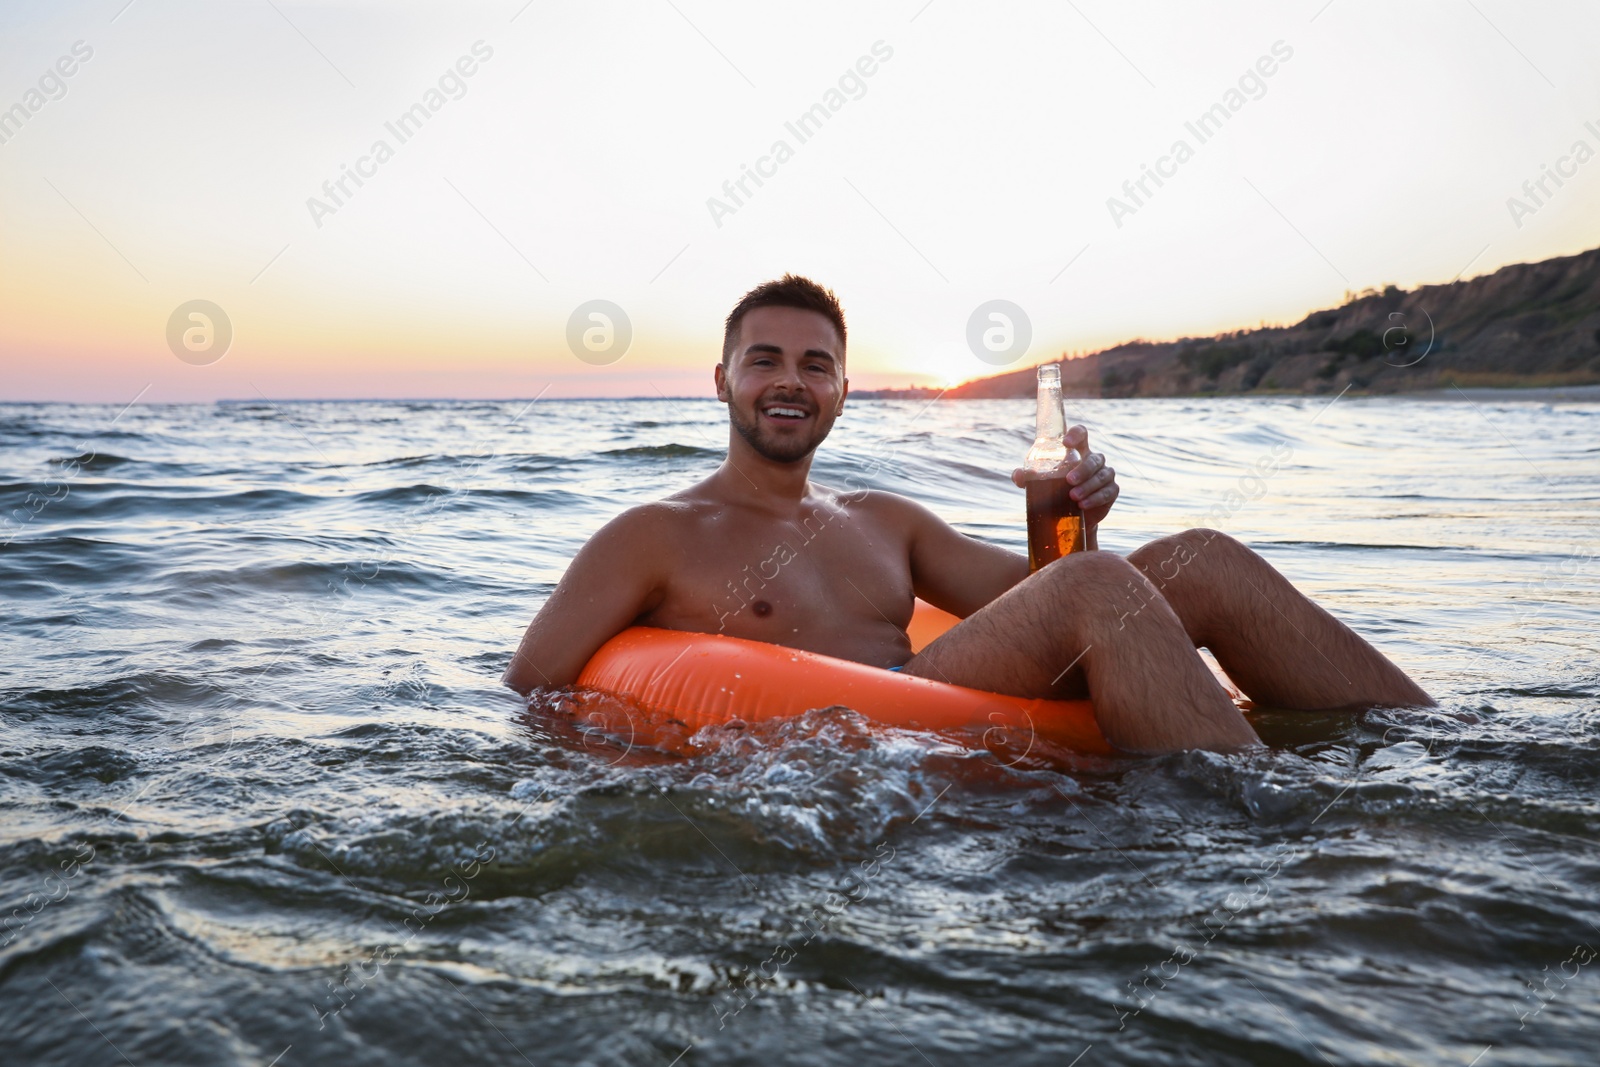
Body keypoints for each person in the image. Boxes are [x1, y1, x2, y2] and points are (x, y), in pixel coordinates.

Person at [503, 275, 1434, 754]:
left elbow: (1049, 595)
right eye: (765, 359)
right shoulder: (653, 535)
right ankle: (1278, 834)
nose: (791, 380)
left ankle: (1434, 750)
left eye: (816, 364)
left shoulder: (881, 519)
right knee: (1099, 587)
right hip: (860, 742)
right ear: (722, 381)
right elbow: (529, 687)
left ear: (842, 390)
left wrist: (1072, 511)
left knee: (1203, 555)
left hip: (941, 693)